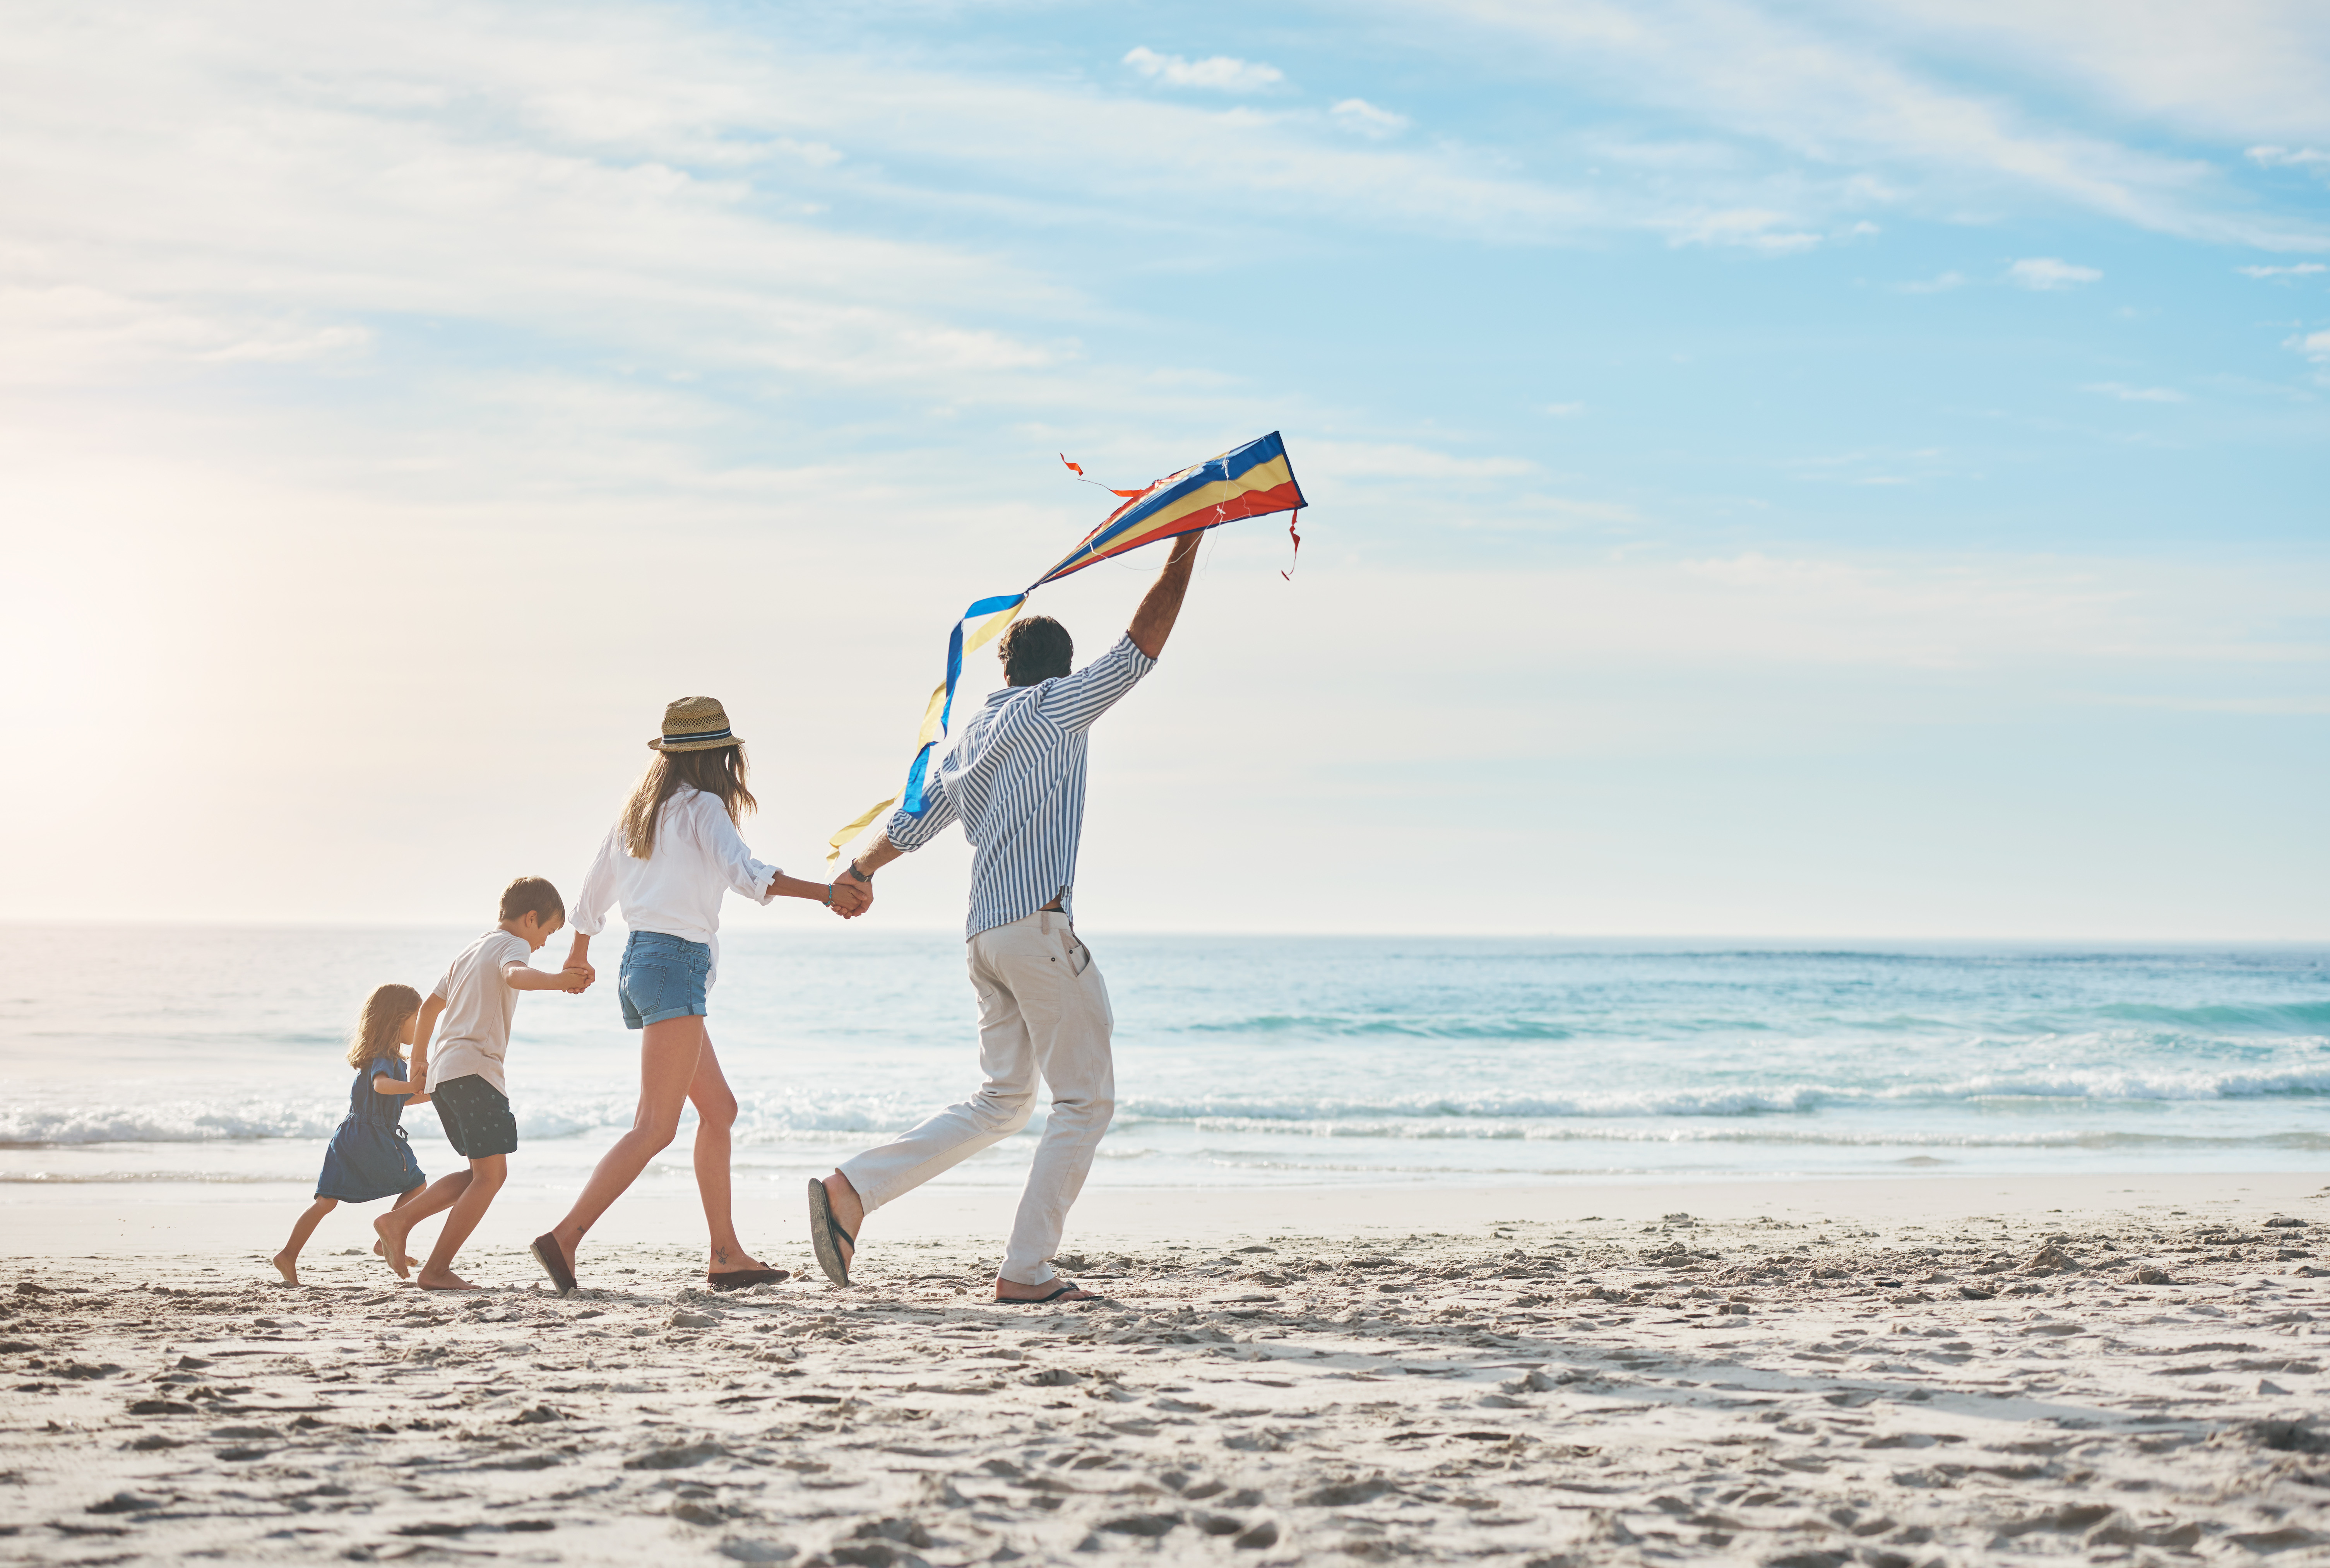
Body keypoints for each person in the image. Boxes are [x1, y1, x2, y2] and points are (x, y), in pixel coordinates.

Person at [810, 532, 1202, 1303]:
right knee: (1084, 1101)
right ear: (1058, 671)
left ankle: (850, 1190)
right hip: (1033, 928)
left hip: (984, 937)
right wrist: (1185, 544)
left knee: (1002, 1102)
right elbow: (1137, 650)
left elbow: (912, 826)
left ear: (1005, 667)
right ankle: (1026, 1271)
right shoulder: (1057, 709)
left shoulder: (974, 736)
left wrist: (858, 871)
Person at [529, 696, 868, 1297]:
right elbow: (747, 872)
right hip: (672, 965)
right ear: (719, 757)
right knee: (654, 1127)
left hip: (641, 964)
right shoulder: (704, 808)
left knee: (719, 1112)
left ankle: (725, 1255)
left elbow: (590, 892)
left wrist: (579, 953)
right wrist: (826, 894)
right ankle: (565, 1237)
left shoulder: (638, 813)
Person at [375, 876, 587, 1290]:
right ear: (530, 919)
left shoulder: (470, 949)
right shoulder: (514, 946)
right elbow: (515, 976)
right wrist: (561, 980)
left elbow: (431, 1006)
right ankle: (434, 1268)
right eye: (547, 931)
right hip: (475, 1072)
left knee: (480, 1173)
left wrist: (420, 1060)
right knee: (491, 1177)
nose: (544, 942)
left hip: (446, 1077)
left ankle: (399, 1220)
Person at [271, 983, 430, 1286]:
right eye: (417, 1019)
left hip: (349, 1139)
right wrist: (411, 1085)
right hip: (369, 1138)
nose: (422, 1027)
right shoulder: (385, 1058)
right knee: (417, 1183)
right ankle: (387, 1236)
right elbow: (381, 1086)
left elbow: (402, 1099)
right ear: (398, 1019)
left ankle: (288, 1255)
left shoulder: (392, 1059)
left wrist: (434, 1094)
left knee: (326, 1202)